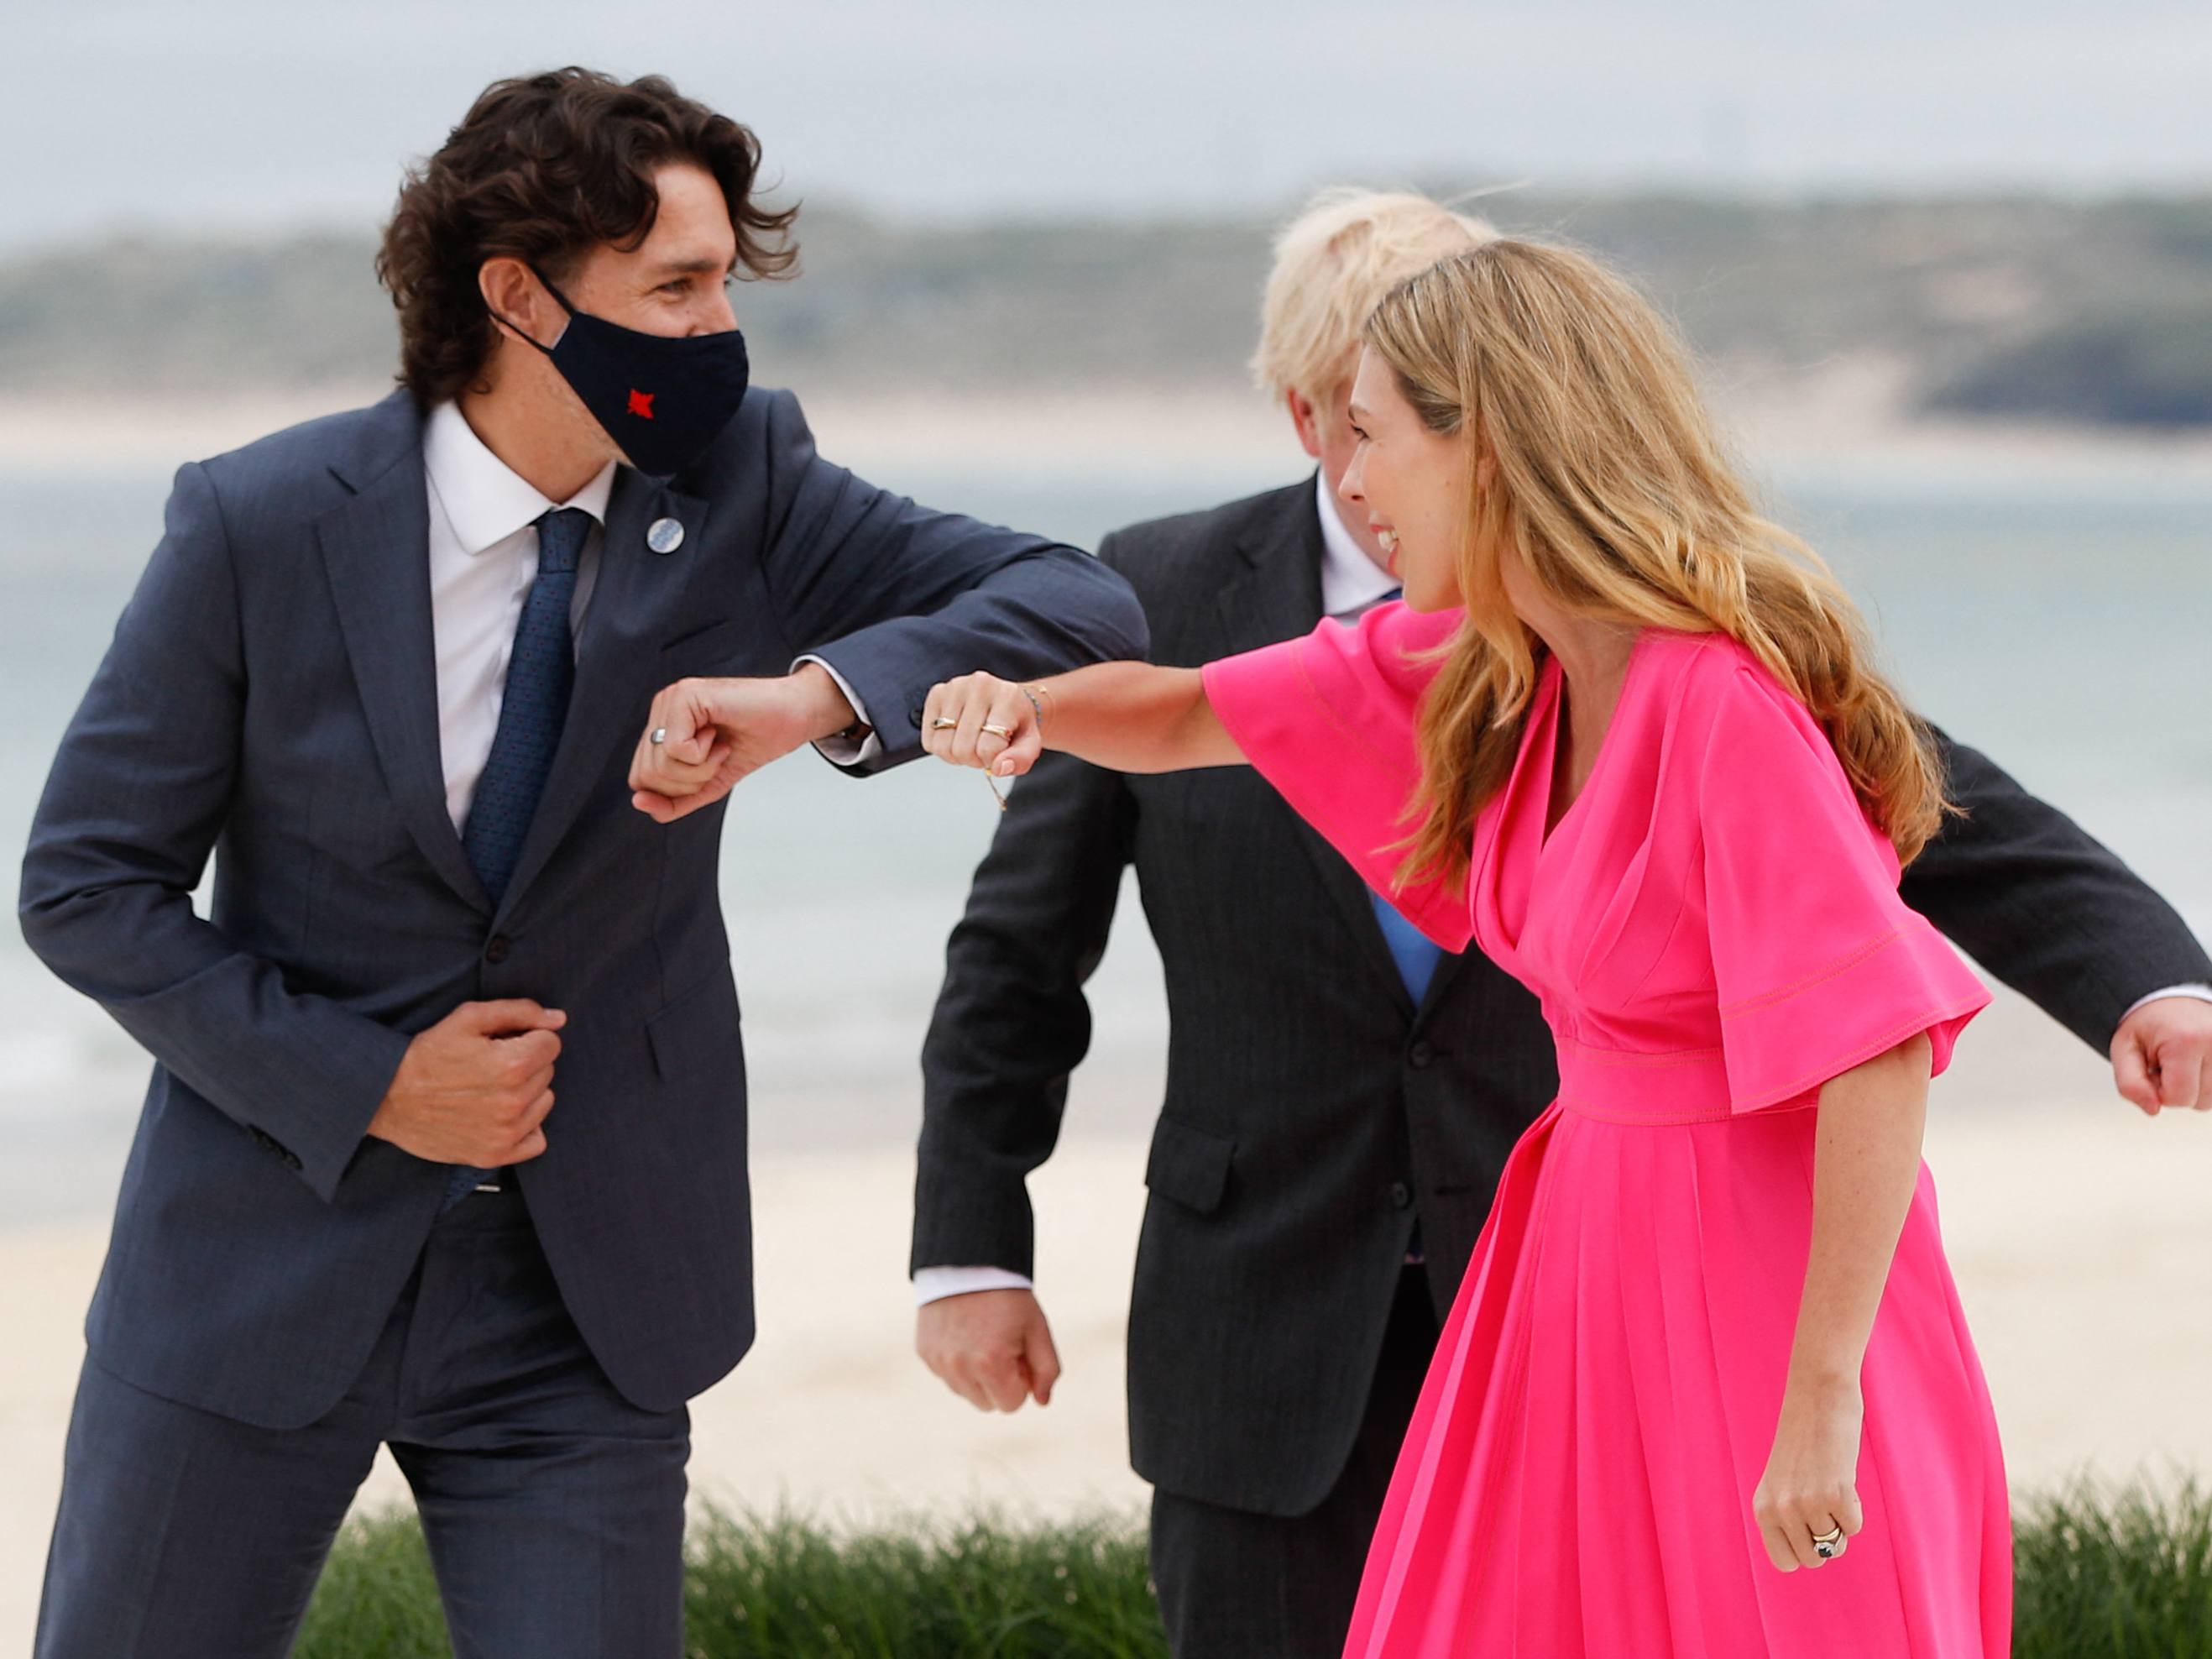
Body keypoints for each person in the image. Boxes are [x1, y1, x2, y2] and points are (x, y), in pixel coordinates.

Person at [885, 194, 2212, 1657]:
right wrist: (1013, 705)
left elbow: (1880, 1043)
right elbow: (1189, 710)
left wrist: (1821, 1392)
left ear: (1493, 447)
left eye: (1375, 434)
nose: (1350, 479)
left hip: (1749, 1292)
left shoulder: (1718, 698)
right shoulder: (1491, 661)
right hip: (1572, 1268)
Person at [19, 68, 1145, 1659]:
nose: (718, 330)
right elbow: (84, 886)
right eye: (674, 289)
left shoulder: (746, 480)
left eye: (725, 285)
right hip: (253, 1270)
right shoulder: (259, 522)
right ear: (517, 297)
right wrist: (373, 1084)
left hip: (583, 1296)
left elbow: (1080, 600)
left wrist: (810, 701)